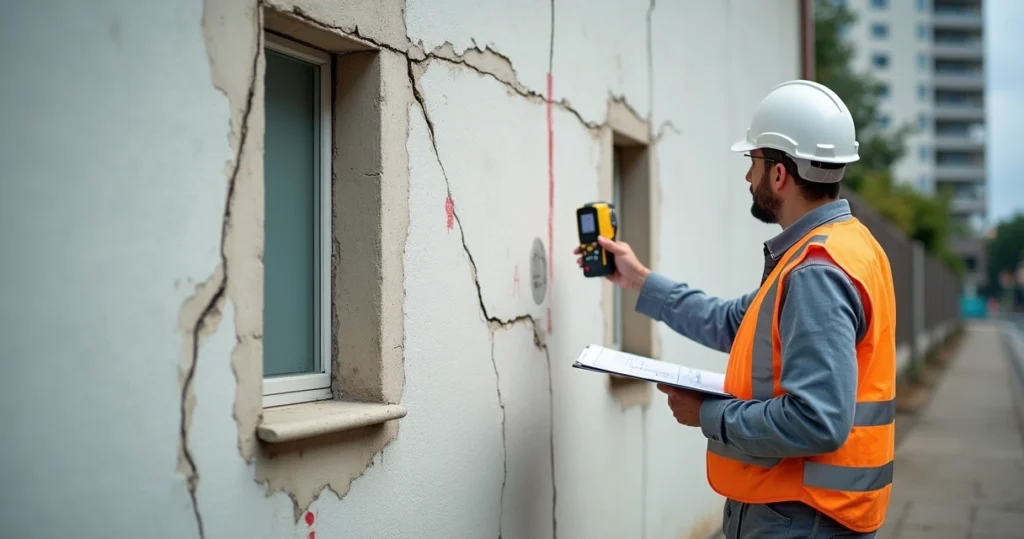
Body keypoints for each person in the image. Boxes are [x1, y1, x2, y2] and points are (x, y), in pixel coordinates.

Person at [576, 80, 897, 538]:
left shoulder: (815, 271)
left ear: (780, 174)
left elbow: (816, 420)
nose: (748, 176)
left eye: (753, 162)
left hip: (801, 519)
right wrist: (639, 280)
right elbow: (732, 321)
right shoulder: (845, 248)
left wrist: (707, 415)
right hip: (803, 512)